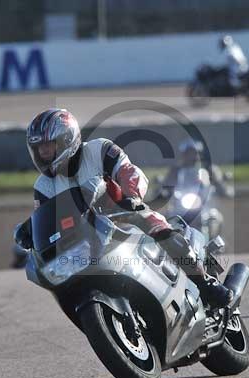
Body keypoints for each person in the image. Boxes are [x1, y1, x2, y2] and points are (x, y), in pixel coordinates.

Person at [17, 108, 233, 307]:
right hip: (84, 236)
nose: (43, 154)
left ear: (66, 140)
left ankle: (205, 285)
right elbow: (44, 217)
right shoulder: (43, 186)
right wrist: (30, 232)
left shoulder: (99, 149)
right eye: (38, 149)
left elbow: (127, 171)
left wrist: (132, 197)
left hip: (123, 214)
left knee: (156, 225)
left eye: (48, 146)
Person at [161, 139, 233, 199]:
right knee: (169, 215)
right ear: (184, 154)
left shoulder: (209, 169)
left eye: (196, 152)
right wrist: (164, 192)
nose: (194, 155)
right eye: (189, 152)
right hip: (182, 204)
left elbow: (219, 184)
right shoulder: (176, 170)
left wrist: (222, 189)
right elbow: (167, 185)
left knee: (215, 216)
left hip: (206, 203)